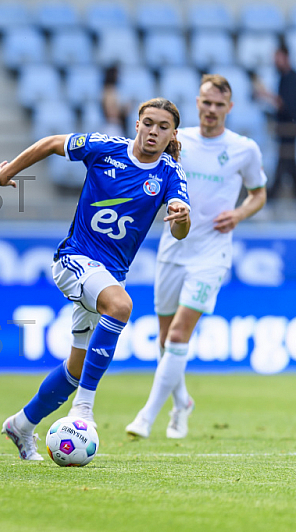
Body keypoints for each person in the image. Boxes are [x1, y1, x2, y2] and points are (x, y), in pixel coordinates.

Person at [0, 98, 191, 461]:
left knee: (75, 369)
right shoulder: (105, 148)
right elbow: (51, 143)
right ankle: (84, 409)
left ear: (172, 134)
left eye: (163, 127)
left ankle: (21, 425)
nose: (154, 131)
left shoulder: (170, 173)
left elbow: (181, 231)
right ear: (137, 124)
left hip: (109, 275)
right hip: (75, 260)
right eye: (148, 123)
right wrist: (9, 172)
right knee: (121, 305)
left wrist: (180, 218)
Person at [126, 75, 267, 439]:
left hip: (212, 253)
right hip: (173, 248)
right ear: (197, 102)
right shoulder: (177, 140)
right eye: (206, 102)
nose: (211, 110)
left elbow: (258, 194)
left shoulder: (244, 149)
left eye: (219, 105)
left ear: (229, 108)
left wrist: (237, 215)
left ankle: (146, 416)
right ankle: (182, 401)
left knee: (178, 333)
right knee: (163, 338)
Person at [255, 44, 296, 199]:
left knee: (285, 161)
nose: (275, 62)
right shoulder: (283, 78)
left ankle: (270, 197)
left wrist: (266, 95)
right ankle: (271, 196)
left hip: (289, 127)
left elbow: (286, 105)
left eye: (277, 58)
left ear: (285, 57)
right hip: (284, 127)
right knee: (288, 162)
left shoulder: (291, 79)